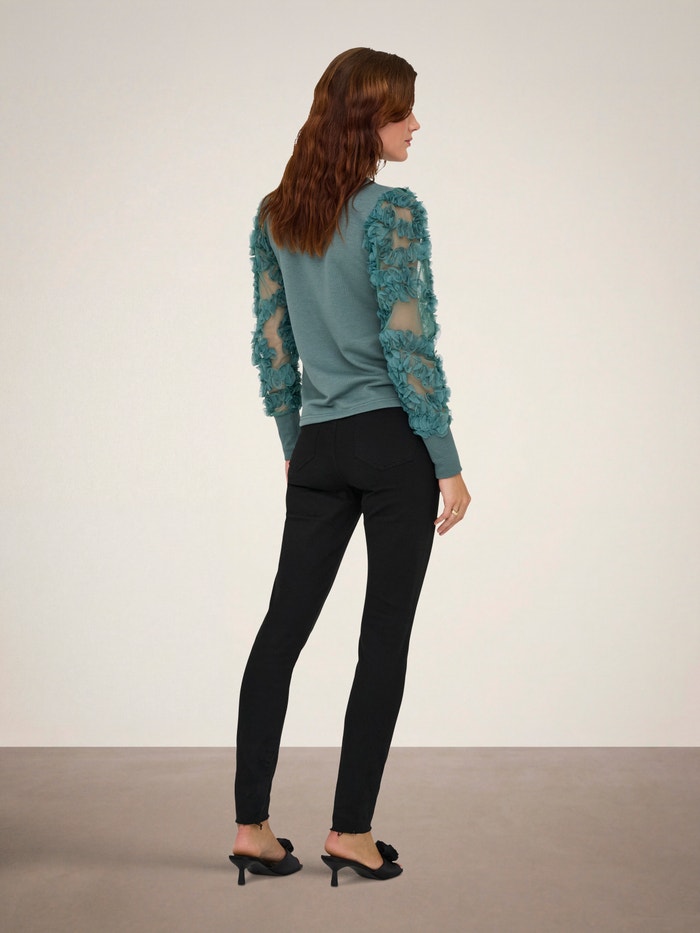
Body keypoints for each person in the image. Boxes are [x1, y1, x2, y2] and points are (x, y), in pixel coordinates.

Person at [229, 47, 471, 887]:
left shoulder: (277, 215)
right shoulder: (390, 212)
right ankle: (351, 832)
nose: (415, 125)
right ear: (368, 121)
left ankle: (252, 828)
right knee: (383, 639)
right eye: (402, 112)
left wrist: (295, 442)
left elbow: (274, 345)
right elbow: (411, 344)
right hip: (392, 445)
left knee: (281, 631)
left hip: (319, 446)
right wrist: (447, 461)